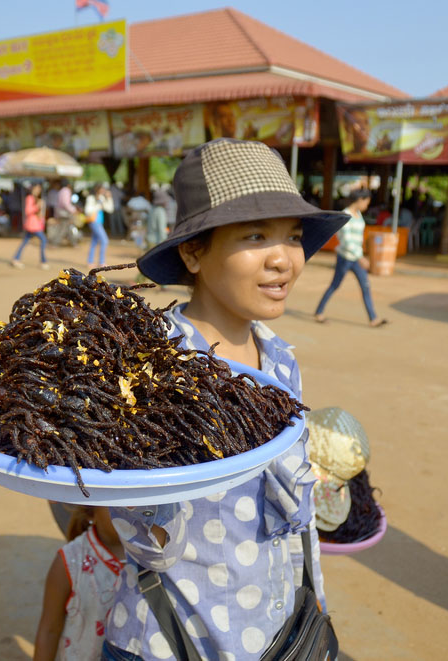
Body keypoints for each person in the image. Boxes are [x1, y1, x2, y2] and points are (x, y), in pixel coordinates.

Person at [101, 138, 348, 660]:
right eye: (256, 235)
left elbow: (292, 518)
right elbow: (142, 536)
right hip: (176, 639)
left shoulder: (280, 359)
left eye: (294, 237)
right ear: (192, 252)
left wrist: (315, 600)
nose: (284, 259)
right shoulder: (151, 363)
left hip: (274, 630)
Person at [33, 507, 124, 661]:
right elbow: (50, 630)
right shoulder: (69, 561)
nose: (129, 511)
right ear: (90, 513)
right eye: (116, 505)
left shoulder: (156, 558)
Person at [313, 189, 387, 328]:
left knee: (365, 286)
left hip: (356, 258)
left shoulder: (358, 215)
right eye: (366, 202)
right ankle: (319, 312)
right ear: (360, 200)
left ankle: (373, 318)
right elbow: (346, 241)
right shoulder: (345, 215)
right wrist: (361, 258)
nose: (366, 206)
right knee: (335, 285)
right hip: (345, 258)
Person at [12, 183, 49, 270]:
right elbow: (28, 211)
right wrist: (37, 206)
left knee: (25, 241)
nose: (37, 191)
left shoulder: (37, 199)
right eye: (36, 189)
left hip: (36, 224)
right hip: (32, 225)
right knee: (43, 240)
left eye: (39, 189)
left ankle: (16, 258)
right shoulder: (30, 198)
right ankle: (43, 261)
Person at [85, 184, 112, 270]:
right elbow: (88, 210)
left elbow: (110, 209)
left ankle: (90, 261)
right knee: (105, 240)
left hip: (99, 222)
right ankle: (101, 262)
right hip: (94, 221)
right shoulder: (91, 198)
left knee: (94, 241)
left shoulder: (101, 198)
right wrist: (98, 205)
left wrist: (109, 198)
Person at [51, 179, 79, 246]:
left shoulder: (60, 191)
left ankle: (73, 242)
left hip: (60, 212)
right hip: (64, 213)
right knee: (63, 228)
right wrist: (73, 210)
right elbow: (66, 204)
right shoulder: (66, 191)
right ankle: (55, 243)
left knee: (67, 227)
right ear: (68, 185)